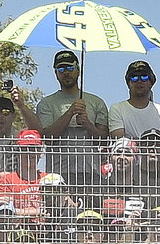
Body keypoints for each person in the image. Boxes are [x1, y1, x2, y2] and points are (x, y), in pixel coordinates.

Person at [34, 50, 108, 188]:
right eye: (61, 69)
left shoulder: (96, 102)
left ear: (78, 70)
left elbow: (104, 139)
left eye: (70, 67)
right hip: (58, 174)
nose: (66, 72)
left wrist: (87, 124)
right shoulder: (46, 103)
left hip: (91, 173)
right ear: (56, 73)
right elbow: (47, 138)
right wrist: (70, 112)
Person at [108, 60, 160, 144]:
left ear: (151, 82)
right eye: (134, 77)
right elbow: (119, 141)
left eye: (144, 77)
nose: (139, 81)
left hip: (155, 156)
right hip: (129, 156)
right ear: (128, 83)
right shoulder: (117, 109)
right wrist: (150, 143)